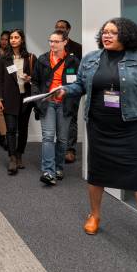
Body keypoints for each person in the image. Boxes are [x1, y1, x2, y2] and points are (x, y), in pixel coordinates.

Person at [51, 17, 137, 259]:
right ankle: (94, 215)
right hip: (99, 124)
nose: (107, 36)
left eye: (113, 33)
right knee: (97, 172)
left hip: (132, 126)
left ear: (126, 35)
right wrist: (64, 90)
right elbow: (80, 86)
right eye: (105, 32)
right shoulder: (91, 58)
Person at [32, 30, 81, 186]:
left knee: (62, 139)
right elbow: (35, 82)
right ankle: (48, 170)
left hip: (65, 104)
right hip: (47, 103)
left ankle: (59, 168)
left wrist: (73, 102)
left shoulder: (73, 61)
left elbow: (79, 85)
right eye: (50, 41)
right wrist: (39, 101)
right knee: (48, 136)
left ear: (65, 42)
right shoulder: (43, 59)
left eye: (56, 41)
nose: (52, 44)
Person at [0, 29, 36, 175]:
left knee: (23, 129)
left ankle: (19, 155)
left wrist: (30, 79)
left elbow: (36, 78)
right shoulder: (3, 59)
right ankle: (11, 157)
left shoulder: (30, 57)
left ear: (22, 40)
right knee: (11, 129)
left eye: (16, 37)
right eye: (11, 37)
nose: (13, 40)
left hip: (26, 99)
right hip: (9, 98)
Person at [56, 19, 83, 164]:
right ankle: (60, 147)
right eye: (57, 27)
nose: (60, 29)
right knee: (57, 117)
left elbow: (82, 70)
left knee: (71, 118)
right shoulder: (54, 46)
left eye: (62, 27)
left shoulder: (78, 48)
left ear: (69, 29)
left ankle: (70, 150)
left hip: (73, 89)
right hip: (56, 89)